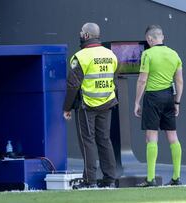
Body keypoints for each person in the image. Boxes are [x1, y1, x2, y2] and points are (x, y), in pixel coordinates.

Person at [63, 22, 118, 188]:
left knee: (87, 141)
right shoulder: (111, 55)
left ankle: (90, 180)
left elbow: (73, 85)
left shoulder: (81, 57)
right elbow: (112, 78)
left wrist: (67, 107)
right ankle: (109, 179)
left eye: (81, 32)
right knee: (104, 140)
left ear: (86, 36)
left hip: (87, 106)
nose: (80, 34)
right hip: (107, 103)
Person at [134, 25, 184, 187]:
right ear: (162, 37)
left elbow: (142, 80)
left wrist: (137, 102)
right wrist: (177, 101)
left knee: (151, 137)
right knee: (173, 137)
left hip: (153, 98)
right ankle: (176, 178)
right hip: (169, 97)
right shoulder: (174, 54)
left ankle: (150, 179)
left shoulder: (147, 54)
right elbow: (180, 81)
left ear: (149, 39)